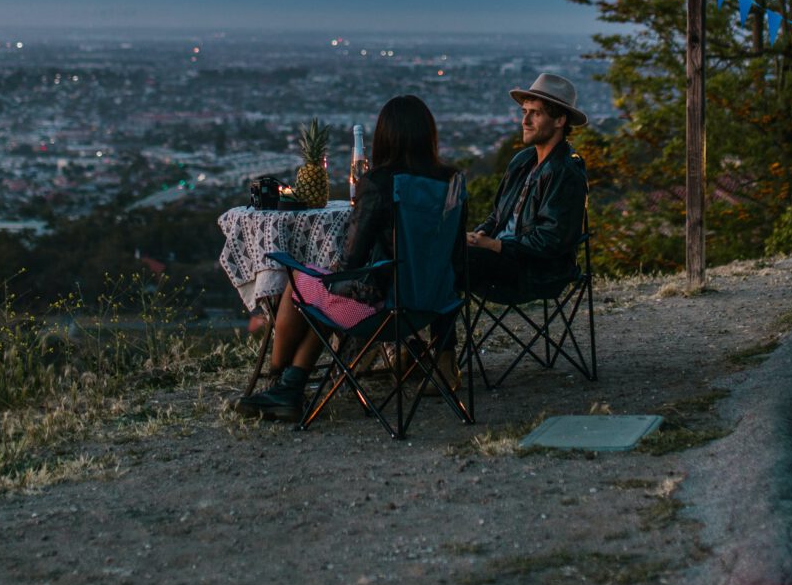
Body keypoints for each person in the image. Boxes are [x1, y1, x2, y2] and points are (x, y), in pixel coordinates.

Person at [239, 94, 457, 421]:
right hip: (434, 305)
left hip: (385, 310)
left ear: (384, 138)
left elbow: (352, 261)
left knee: (302, 282)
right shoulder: (451, 181)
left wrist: (328, 276)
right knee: (322, 302)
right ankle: (290, 387)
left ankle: (278, 376)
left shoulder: (379, 184)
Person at [465, 71, 588, 296]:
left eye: (536, 114)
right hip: (504, 258)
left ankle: (433, 330)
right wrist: (480, 235)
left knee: (452, 261)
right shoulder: (522, 161)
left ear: (560, 120)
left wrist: (494, 246)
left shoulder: (566, 172)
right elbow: (498, 216)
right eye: (524, 112)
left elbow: (552, 240)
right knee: (443, 249)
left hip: (539, 272)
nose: (525, 121)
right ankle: (435, 330)